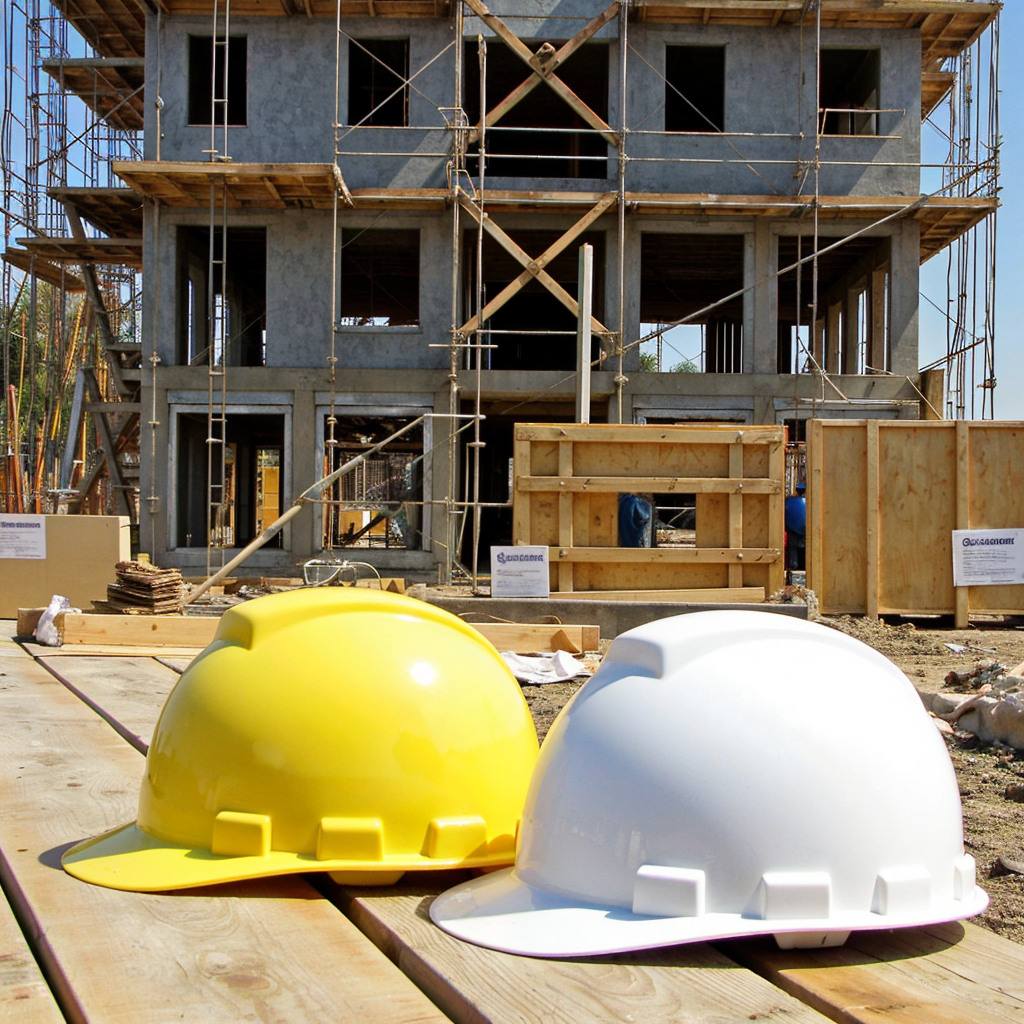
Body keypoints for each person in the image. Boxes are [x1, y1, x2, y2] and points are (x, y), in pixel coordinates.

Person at [785, 483, 806, 570]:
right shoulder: (809, 502)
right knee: (804, 551)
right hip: (805, 532)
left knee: (793, 550)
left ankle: (793, 567)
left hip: (792, 531)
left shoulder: (789, 501)